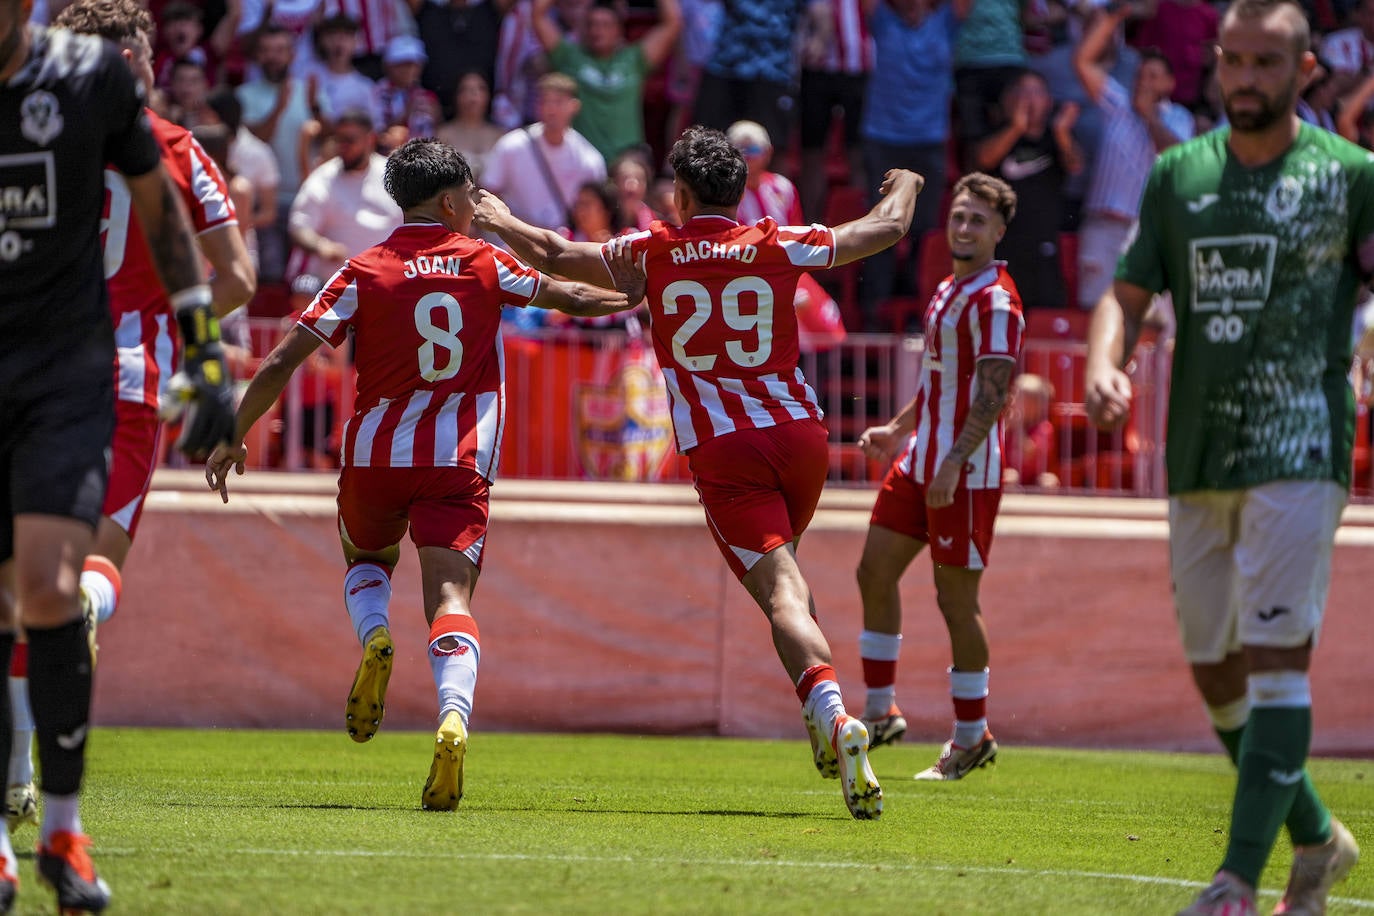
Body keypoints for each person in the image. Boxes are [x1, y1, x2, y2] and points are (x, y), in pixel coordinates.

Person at [473, 125, 927, 820]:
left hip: (727, 452)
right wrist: (907, 184)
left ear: (679, 194)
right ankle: (821, 722)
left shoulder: (654, 251)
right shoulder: (773, 240)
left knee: (780, 593)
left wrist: (500, 218)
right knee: (791, 580)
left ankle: (835, 715)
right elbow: (883, 229)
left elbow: (558, 252)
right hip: (799, 437)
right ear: (740, 192)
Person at [205, 139, 630, 810]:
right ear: (451, 201)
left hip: (375, 457)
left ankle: (375, 636)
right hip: (456, 462)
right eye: (470, 197)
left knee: (365, 559)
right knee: (451, 600)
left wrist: (232, 435)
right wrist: (638, 297)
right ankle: (453, 717)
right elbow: (569, 295)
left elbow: (286, 356)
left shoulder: (365, 268)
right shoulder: (484, 260)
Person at [1084, 1, 1367, 911]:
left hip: (1301, 442)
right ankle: (1319, 839)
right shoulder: (1177, 176)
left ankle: (1235, 882)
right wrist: (1103, 360)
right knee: (1216, 671)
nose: (1245, 77)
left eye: (1266, 63)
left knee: (1276, 656)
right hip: (1200, 450)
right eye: (1233, 61)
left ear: (1306, 71)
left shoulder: (1352, 176)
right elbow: (1125, 295)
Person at [0, 0, 234, 906]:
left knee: (51, 585)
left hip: (70, 371)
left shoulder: (87, 80)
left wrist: (205, 343)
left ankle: (62, 830)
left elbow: (165, 213)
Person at [853, 172, 1023, 780]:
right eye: (958, 216)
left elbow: (994, 392)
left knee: (956, 602)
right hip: (922, 459)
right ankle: (879, 711)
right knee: (873, 570)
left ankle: (972, 737)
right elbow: (936, 380)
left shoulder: (995, 299)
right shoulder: (950, 287)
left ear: (1000, 231)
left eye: (978, 220)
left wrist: (954, 461)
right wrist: (899, 431)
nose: (964, 227)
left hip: (965, 473)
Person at [1073, 5, 1193, 311]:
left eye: (1154, 76)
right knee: (1093, 310)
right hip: (1102, 226)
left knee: (1148, 318)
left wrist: (1149, 117)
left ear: (1169, 84)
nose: (1144, 82)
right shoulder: (1117, 103)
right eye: (1141, 75)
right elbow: (1084, 61)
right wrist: (1116, 15)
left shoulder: (1179, 117)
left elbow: (1178, 157)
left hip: (1145, 233)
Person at [531, 0, 682, 163]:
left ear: (619, 30)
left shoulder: (635, 60)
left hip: (626, 167)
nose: (597, 31)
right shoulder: (568, 57)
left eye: (606, 25)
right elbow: (538, 16)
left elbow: (672, 23)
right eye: (592, 24)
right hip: (581, 164)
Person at [481, 72, 607, 235]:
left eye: (559, 102)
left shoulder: (590, 160)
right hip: (517, 243)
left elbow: (597, 212)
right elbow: (486, 195)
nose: (551, 109)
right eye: (545, 101)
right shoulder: (511, 146)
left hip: (568, 247)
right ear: (537, 106)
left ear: (574, 106)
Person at [288, 107, 402, 285]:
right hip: (337, 288)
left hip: (388, 283)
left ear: (370, 139)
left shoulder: (395, 175)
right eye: (339, 140)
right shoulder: (323, 178)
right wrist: (321, 246)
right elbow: (300, 227)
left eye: (349, 140)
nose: (343, 146)